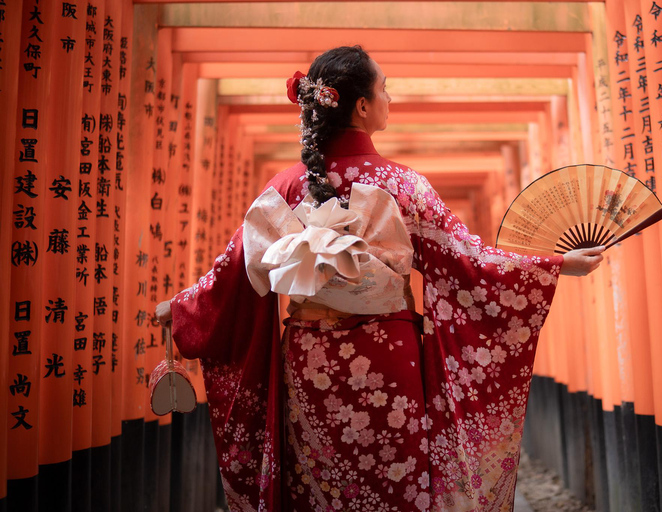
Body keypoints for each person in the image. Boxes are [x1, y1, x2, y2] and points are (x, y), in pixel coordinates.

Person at [155, 46, 604, 512]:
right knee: (393, 482)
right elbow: (467, 259)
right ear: (363, 107)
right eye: (384, 89)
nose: (390, 98)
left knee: (318, 483)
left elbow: (233, 272)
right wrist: (554, 265)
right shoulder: (404, 184)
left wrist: (184, 307)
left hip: (311, 360)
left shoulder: (285, 186)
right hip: (389, 357)